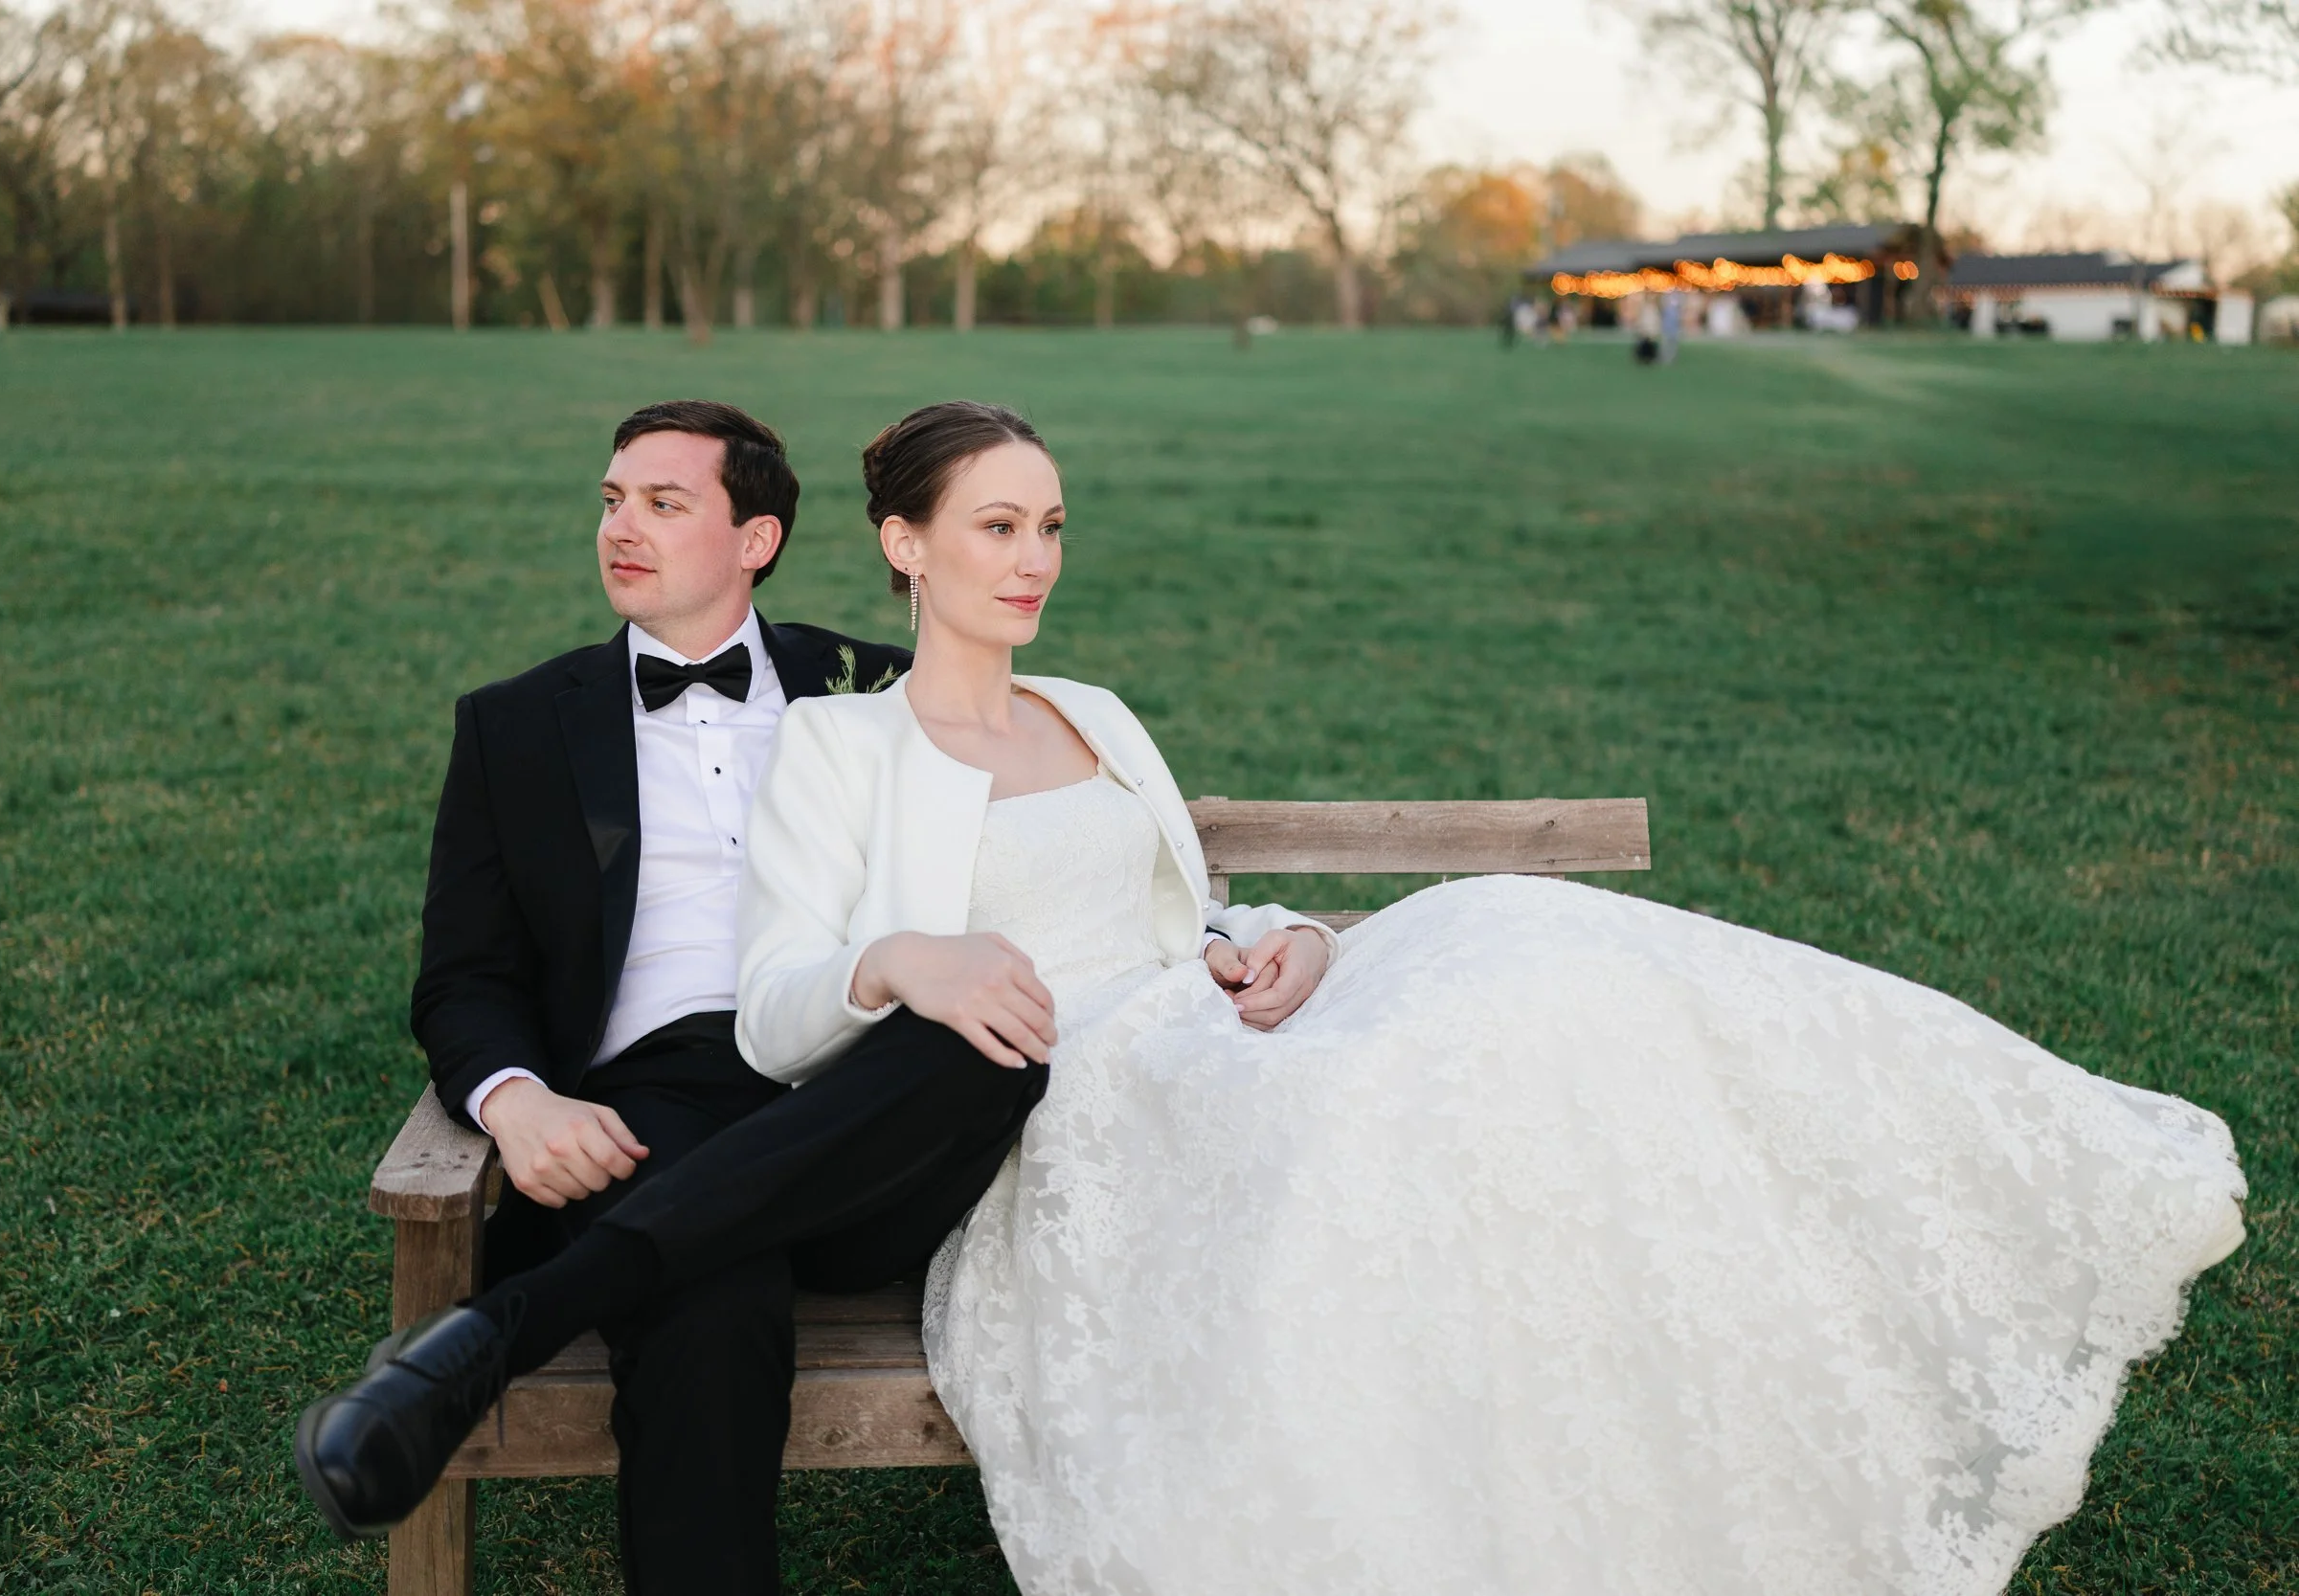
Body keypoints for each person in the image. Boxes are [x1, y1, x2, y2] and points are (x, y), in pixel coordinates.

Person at [738, 399, 2249, 1596]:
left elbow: (1184, 909)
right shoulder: (842, 746)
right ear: (904, 542)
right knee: (1414, 1088)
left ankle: (1941, 1155)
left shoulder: (1097, 710)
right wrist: (900, 961)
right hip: (1080, 1104)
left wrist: (1297, 941)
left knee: (1520, 939)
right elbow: (772, 1015)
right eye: (997, 526)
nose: (1036, 560)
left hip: (1212, 1014)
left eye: (1053, 525)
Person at [294, 398, 1073, 1592]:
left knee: (989, 1040)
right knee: (713, 1306)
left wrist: (1232, 929)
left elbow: (1058, 841)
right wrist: (515, 1102)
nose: (622, 526)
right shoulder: (514, 727)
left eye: (664, 502)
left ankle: (492, 1338)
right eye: (612, 500)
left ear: (754, 537)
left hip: (861, 1085)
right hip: (654, 1109)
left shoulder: (869, 678)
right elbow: (464, 976)